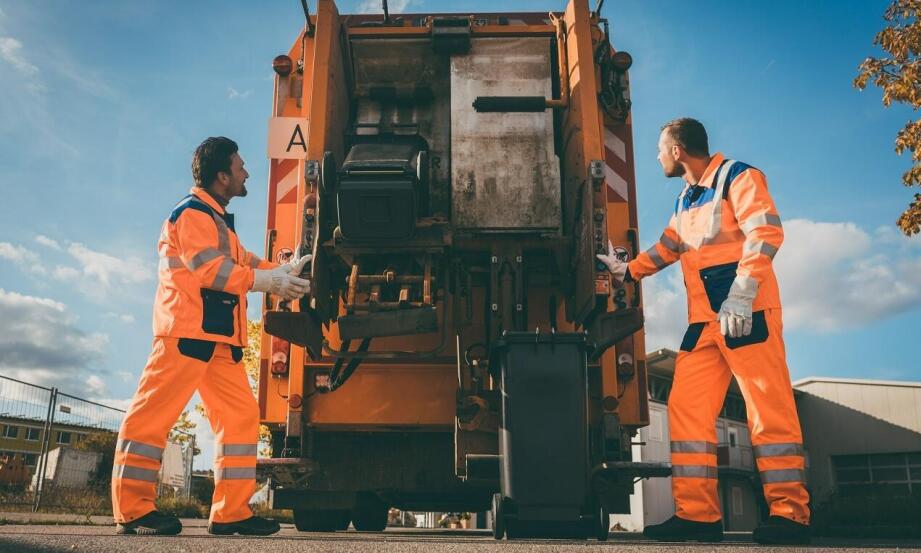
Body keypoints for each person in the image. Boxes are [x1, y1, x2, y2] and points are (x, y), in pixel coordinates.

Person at [597, 118, 810, 545]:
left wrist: (743, 294)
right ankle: (698, 516)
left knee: (768, 410)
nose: (657, 156)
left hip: (747, 315)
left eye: (660, 149)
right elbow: (670, 247)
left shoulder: (739, 177)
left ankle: (790, 514)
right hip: (706, 324)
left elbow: (766, 231)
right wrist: (627, 270)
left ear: (677, 151)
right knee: (686, 407)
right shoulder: (686, 201)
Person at [111, 137, 310, 536]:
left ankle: (231, 512)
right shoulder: (191, 215)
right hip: (184, 335)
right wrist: (267, 281)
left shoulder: (216, 220)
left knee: (240, 418)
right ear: (222, 176)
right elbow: (211, 272)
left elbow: (245, 262)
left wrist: (284, 271)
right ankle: (132, 510)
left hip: (217, 341)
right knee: (151, 419)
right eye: (240, 167)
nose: (246, 172)